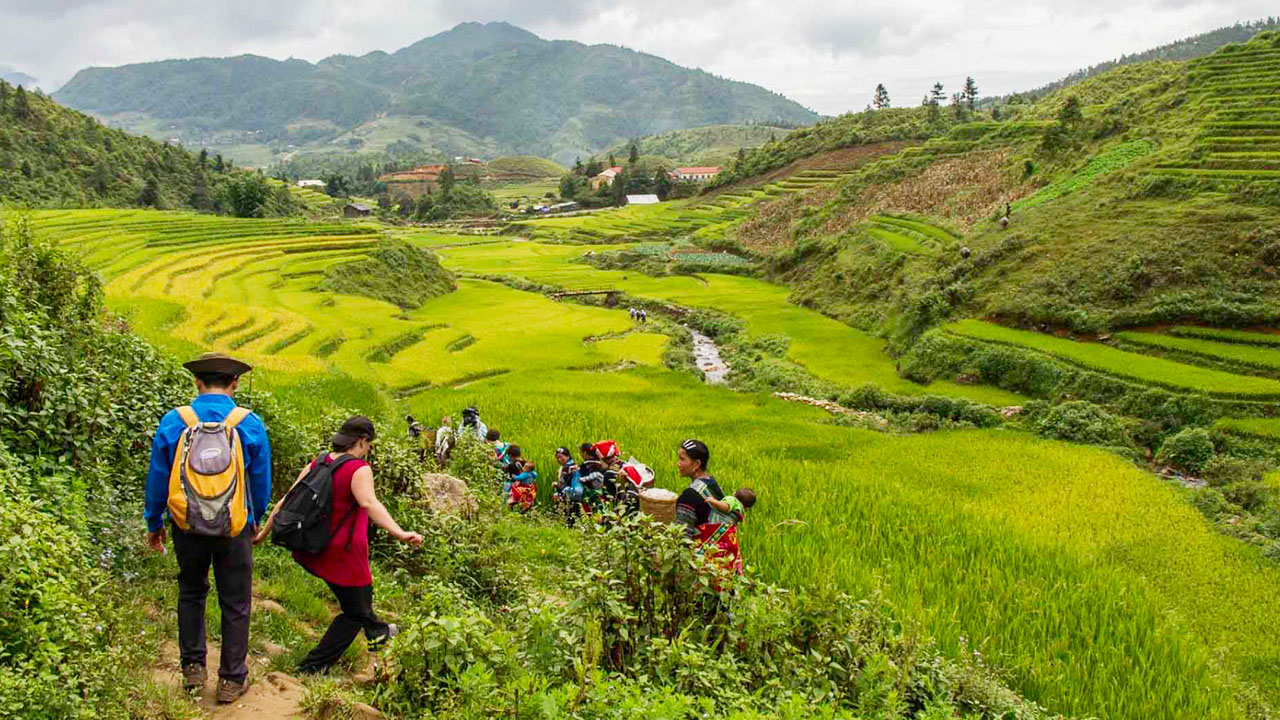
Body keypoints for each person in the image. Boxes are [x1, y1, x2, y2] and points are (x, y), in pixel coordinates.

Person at [144, 353, 272, 703]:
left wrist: (154, 523)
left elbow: (157, 477)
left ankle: (192, 669)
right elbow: (260, 481)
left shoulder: (175, 421)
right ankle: (231, 680)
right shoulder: (249, 423)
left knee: (191, 592)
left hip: (187, 524)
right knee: (236, 601)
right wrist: (255, 518)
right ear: (235, 384)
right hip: (234, 525)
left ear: (197, 383)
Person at [254, 416, 424, 675]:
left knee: (358, 605)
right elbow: (369, 503)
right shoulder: (359, 468)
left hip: (315, 548)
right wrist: (400, 533)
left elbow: (286, 501)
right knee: (356, 611)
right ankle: (312, 668)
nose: (368, 449)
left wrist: (262, 534)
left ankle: (379, 632)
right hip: (346, 555)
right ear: (362, 441)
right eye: (369, 444)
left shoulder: (318, 462)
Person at [674, 439, 743, 577]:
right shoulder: (713, 485)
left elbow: (682, 538)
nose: (678, 463)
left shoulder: (689, 497)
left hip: (704, 573)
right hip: (726, 566)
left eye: (682, 459)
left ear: (696, 464)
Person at [552, 447, 582, 527]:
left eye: (561, 457)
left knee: (569, 515)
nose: (559, 459)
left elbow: (566, 483)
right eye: (557, 457)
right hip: (574, 494)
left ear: (567, 456)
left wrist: (556, 485)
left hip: (570, 494)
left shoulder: (567, 467)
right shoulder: (572, 465)